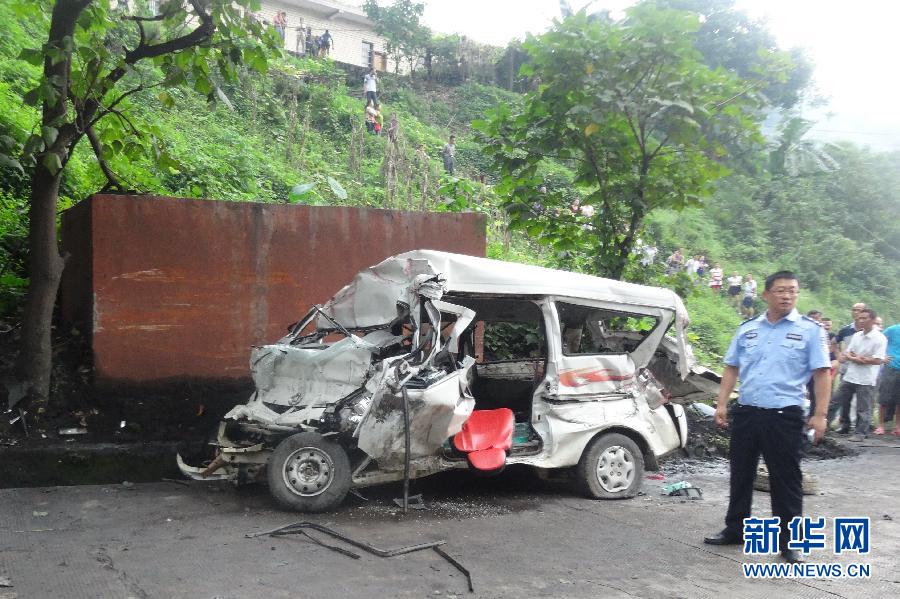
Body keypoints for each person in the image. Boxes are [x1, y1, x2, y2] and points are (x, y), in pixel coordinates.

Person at [703, 271, 830, 565]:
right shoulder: (748, 329)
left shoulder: (810, 330)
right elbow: (731, 367)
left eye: (793, 291)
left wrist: (820, 415)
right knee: (741, 473)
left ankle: (789, 543)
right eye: (781, 290)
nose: (787, 296)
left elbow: (822, 374)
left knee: (786, 479)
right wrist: (722, 404)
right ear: (766, 295)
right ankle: (736, 529)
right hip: (747, 411)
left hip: (785, 415)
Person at [830, 308, 887, 440]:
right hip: (851, 374)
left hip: (866, 378)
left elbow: (878, 360)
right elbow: (848, 352)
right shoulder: (857, 336)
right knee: (837, 400)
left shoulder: (879, 338)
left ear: (872, 320)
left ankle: (861, 433)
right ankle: (833, 425)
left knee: (863, 407)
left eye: (864, 318)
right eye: (859, 318)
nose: (860, 321)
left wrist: (859, 358)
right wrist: (858, 358)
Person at [875, 321, 900, 435]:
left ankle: (897, 426)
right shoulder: (893, 329)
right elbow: (879, 340)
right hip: (891, 366)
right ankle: (881, 425)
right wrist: (882, 355)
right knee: (884, 397)